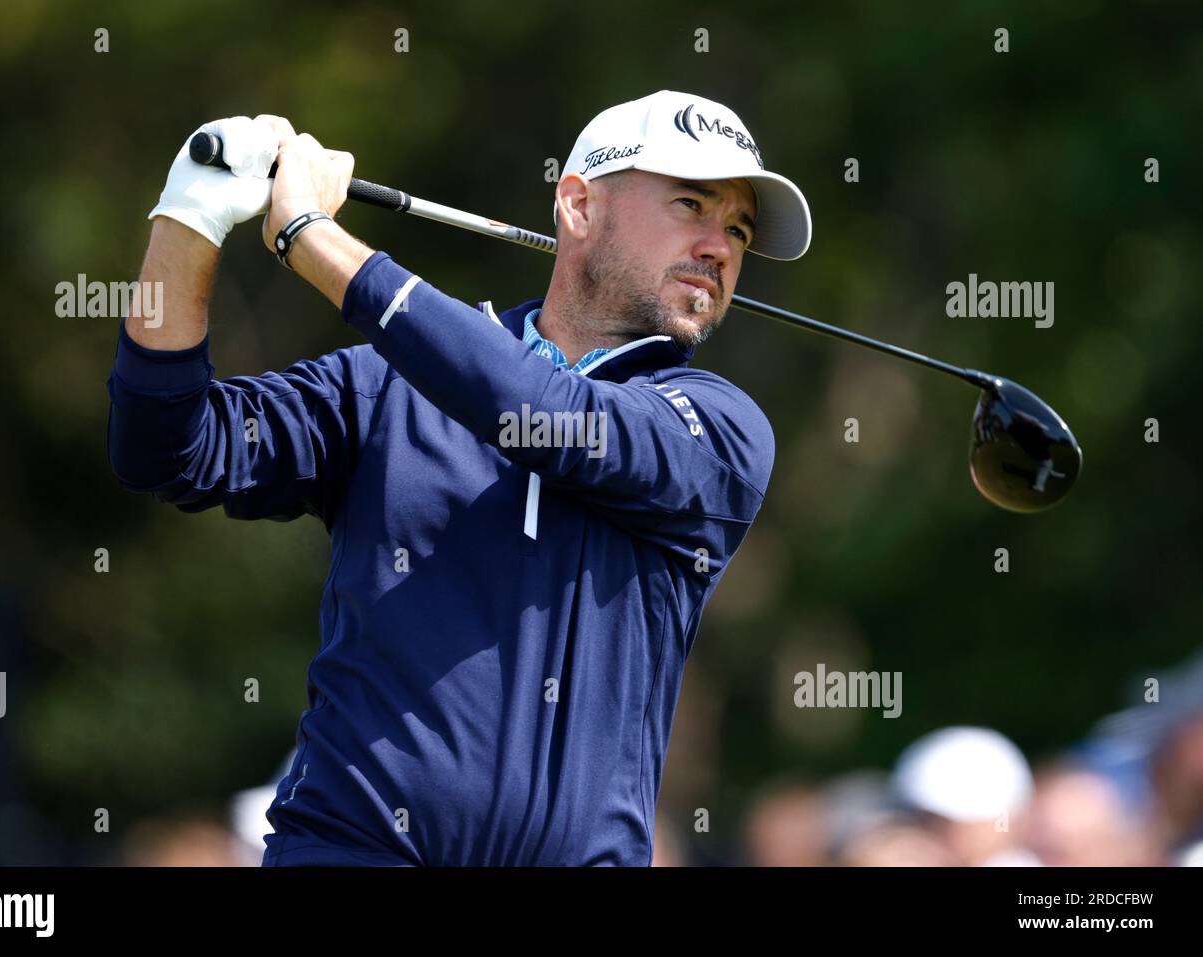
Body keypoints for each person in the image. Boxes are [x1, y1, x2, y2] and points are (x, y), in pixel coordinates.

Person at [107, 90, 811, 866]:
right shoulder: (387, 386)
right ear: (578, 206)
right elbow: (166, 445)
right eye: (691, 205)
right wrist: (191, 218)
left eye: (738, 229)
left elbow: (548, 414)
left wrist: (312, 237)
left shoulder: (718, 427)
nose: (720, 246)